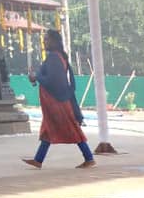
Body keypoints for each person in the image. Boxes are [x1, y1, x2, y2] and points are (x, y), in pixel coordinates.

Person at [22, 28, 95, 170]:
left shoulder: (54, 58)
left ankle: (89, 157)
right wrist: (35, 78)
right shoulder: (57, 57)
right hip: (56, 101)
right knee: (48, 129)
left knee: (72, 128)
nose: (44, 41)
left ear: (54, 41)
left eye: (47, 39)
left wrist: (37, 77)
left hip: (58, 102)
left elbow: (54, 81)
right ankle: (38, 160)